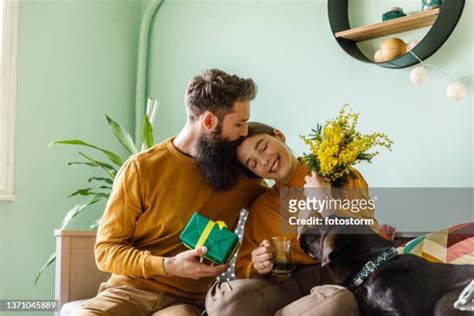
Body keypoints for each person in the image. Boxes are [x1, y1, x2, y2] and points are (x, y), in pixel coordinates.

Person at [72, 69, 266, 316]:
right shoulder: (142, 168)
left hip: (184, 303)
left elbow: (281, 201)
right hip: (126, 293)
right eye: (239, 123)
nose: (244, 132)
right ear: (209, 122)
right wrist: (169, 266)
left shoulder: (241, 175)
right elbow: (106, 251)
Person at [206, 122, 381, 316]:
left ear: (279, 135)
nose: (263, 161)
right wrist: (256, 265)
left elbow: (369, 234)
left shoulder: (337, 175)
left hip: (341, 281)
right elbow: (243, 268)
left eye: (263, 147)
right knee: (224, 303)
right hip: (289, 285)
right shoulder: (262, 208)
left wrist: (327, 204)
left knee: (334, 302)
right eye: (253, 163)